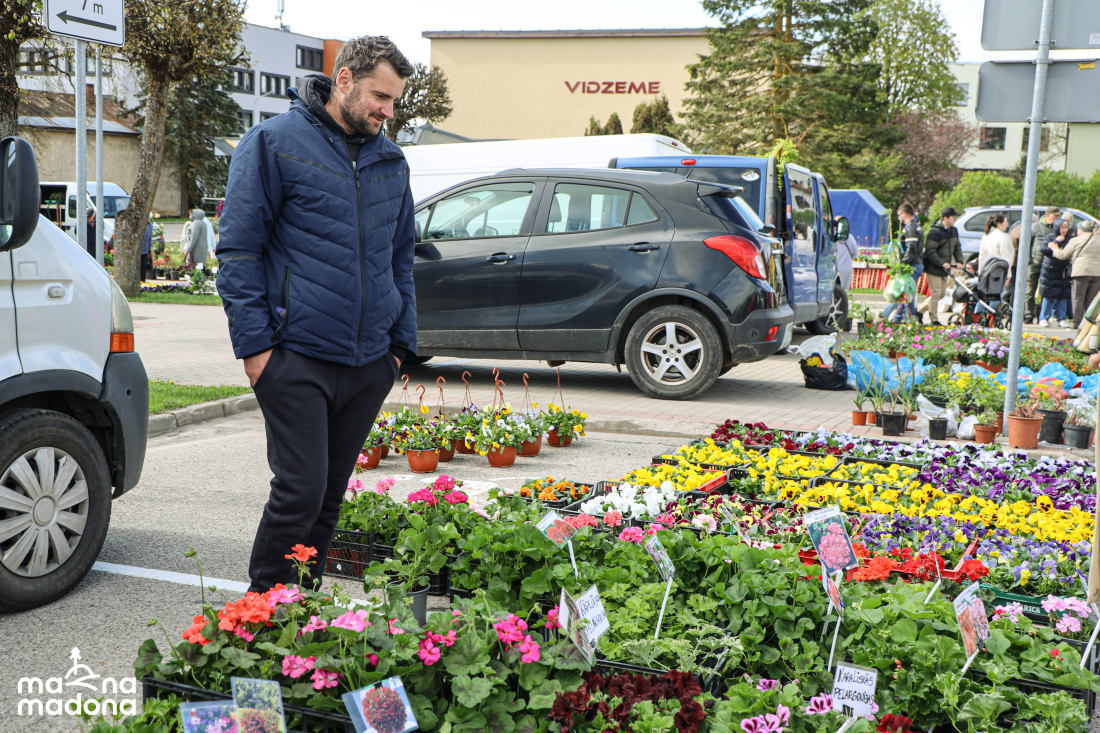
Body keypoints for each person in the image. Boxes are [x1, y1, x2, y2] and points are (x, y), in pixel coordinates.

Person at [217, 36, 416, 593]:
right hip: (295, 356)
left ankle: (301, 608)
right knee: (299, 492)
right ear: (344, 80)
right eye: (380, 97)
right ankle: (261, 614)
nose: (388, 111)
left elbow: (402, 257)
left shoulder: (391, 161)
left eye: (395, 101)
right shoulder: (273, 143)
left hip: (369, 362)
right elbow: (238, 251)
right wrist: (256, 350)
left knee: (328, 497)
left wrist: (399, 349)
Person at [919, 207, 964, 324]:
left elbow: (957, 247)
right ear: (945, 218)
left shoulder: (953, 230)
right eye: (953, 217)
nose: (955, 219)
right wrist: (941, 263)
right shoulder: (934, 232)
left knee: (942, 294)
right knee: (936, 293)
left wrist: (960, 261)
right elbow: (930, 251)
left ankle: (920, 310)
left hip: (945, 269)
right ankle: (934, 319)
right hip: (933, 267)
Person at [1054, 219, 1100, 328]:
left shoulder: (1075, 240)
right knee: (1091, 300)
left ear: (1081, 229)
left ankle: (1077, 323)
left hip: (1081, 272)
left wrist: (1055, 249)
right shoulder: (1098, 240)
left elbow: (1063, 255)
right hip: (1097, 273)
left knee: (1078, 298)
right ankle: (1088, 324)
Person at [1039, 218, 1075, 327]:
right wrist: (1056, 241)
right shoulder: (1050, 237)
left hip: (1064, 270)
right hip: (1050, 270)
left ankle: (1062, 318)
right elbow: (1044, 250)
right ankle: (1044, 318)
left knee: (1063, 296)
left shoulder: (1071, 238)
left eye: (1066, 227)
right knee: (1048, 295)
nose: (1064, 230)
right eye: (1062, 227)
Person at [1027, 207, 1061, 323]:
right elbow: (1027, 243)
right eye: (1055, 216)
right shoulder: (1036, 226)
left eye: (1058, 216)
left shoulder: (1057, 229)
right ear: (1048, 215)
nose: (1057, 218)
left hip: (1050, 264)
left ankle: (1041, 315)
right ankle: (1028, 314)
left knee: (1046, 291)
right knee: (1030, 289)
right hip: (1035, 263)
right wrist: (1029, 260)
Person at [978, 214, 1014, 279]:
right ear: (999, 224)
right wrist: (1008, 274)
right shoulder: (1003, 237)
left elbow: (981, 256)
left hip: (986, 270)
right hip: (999, 271)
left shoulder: (985, 236)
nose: (1007, 224)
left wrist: (980, 272)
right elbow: (1005, 257)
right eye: (1006, 222)